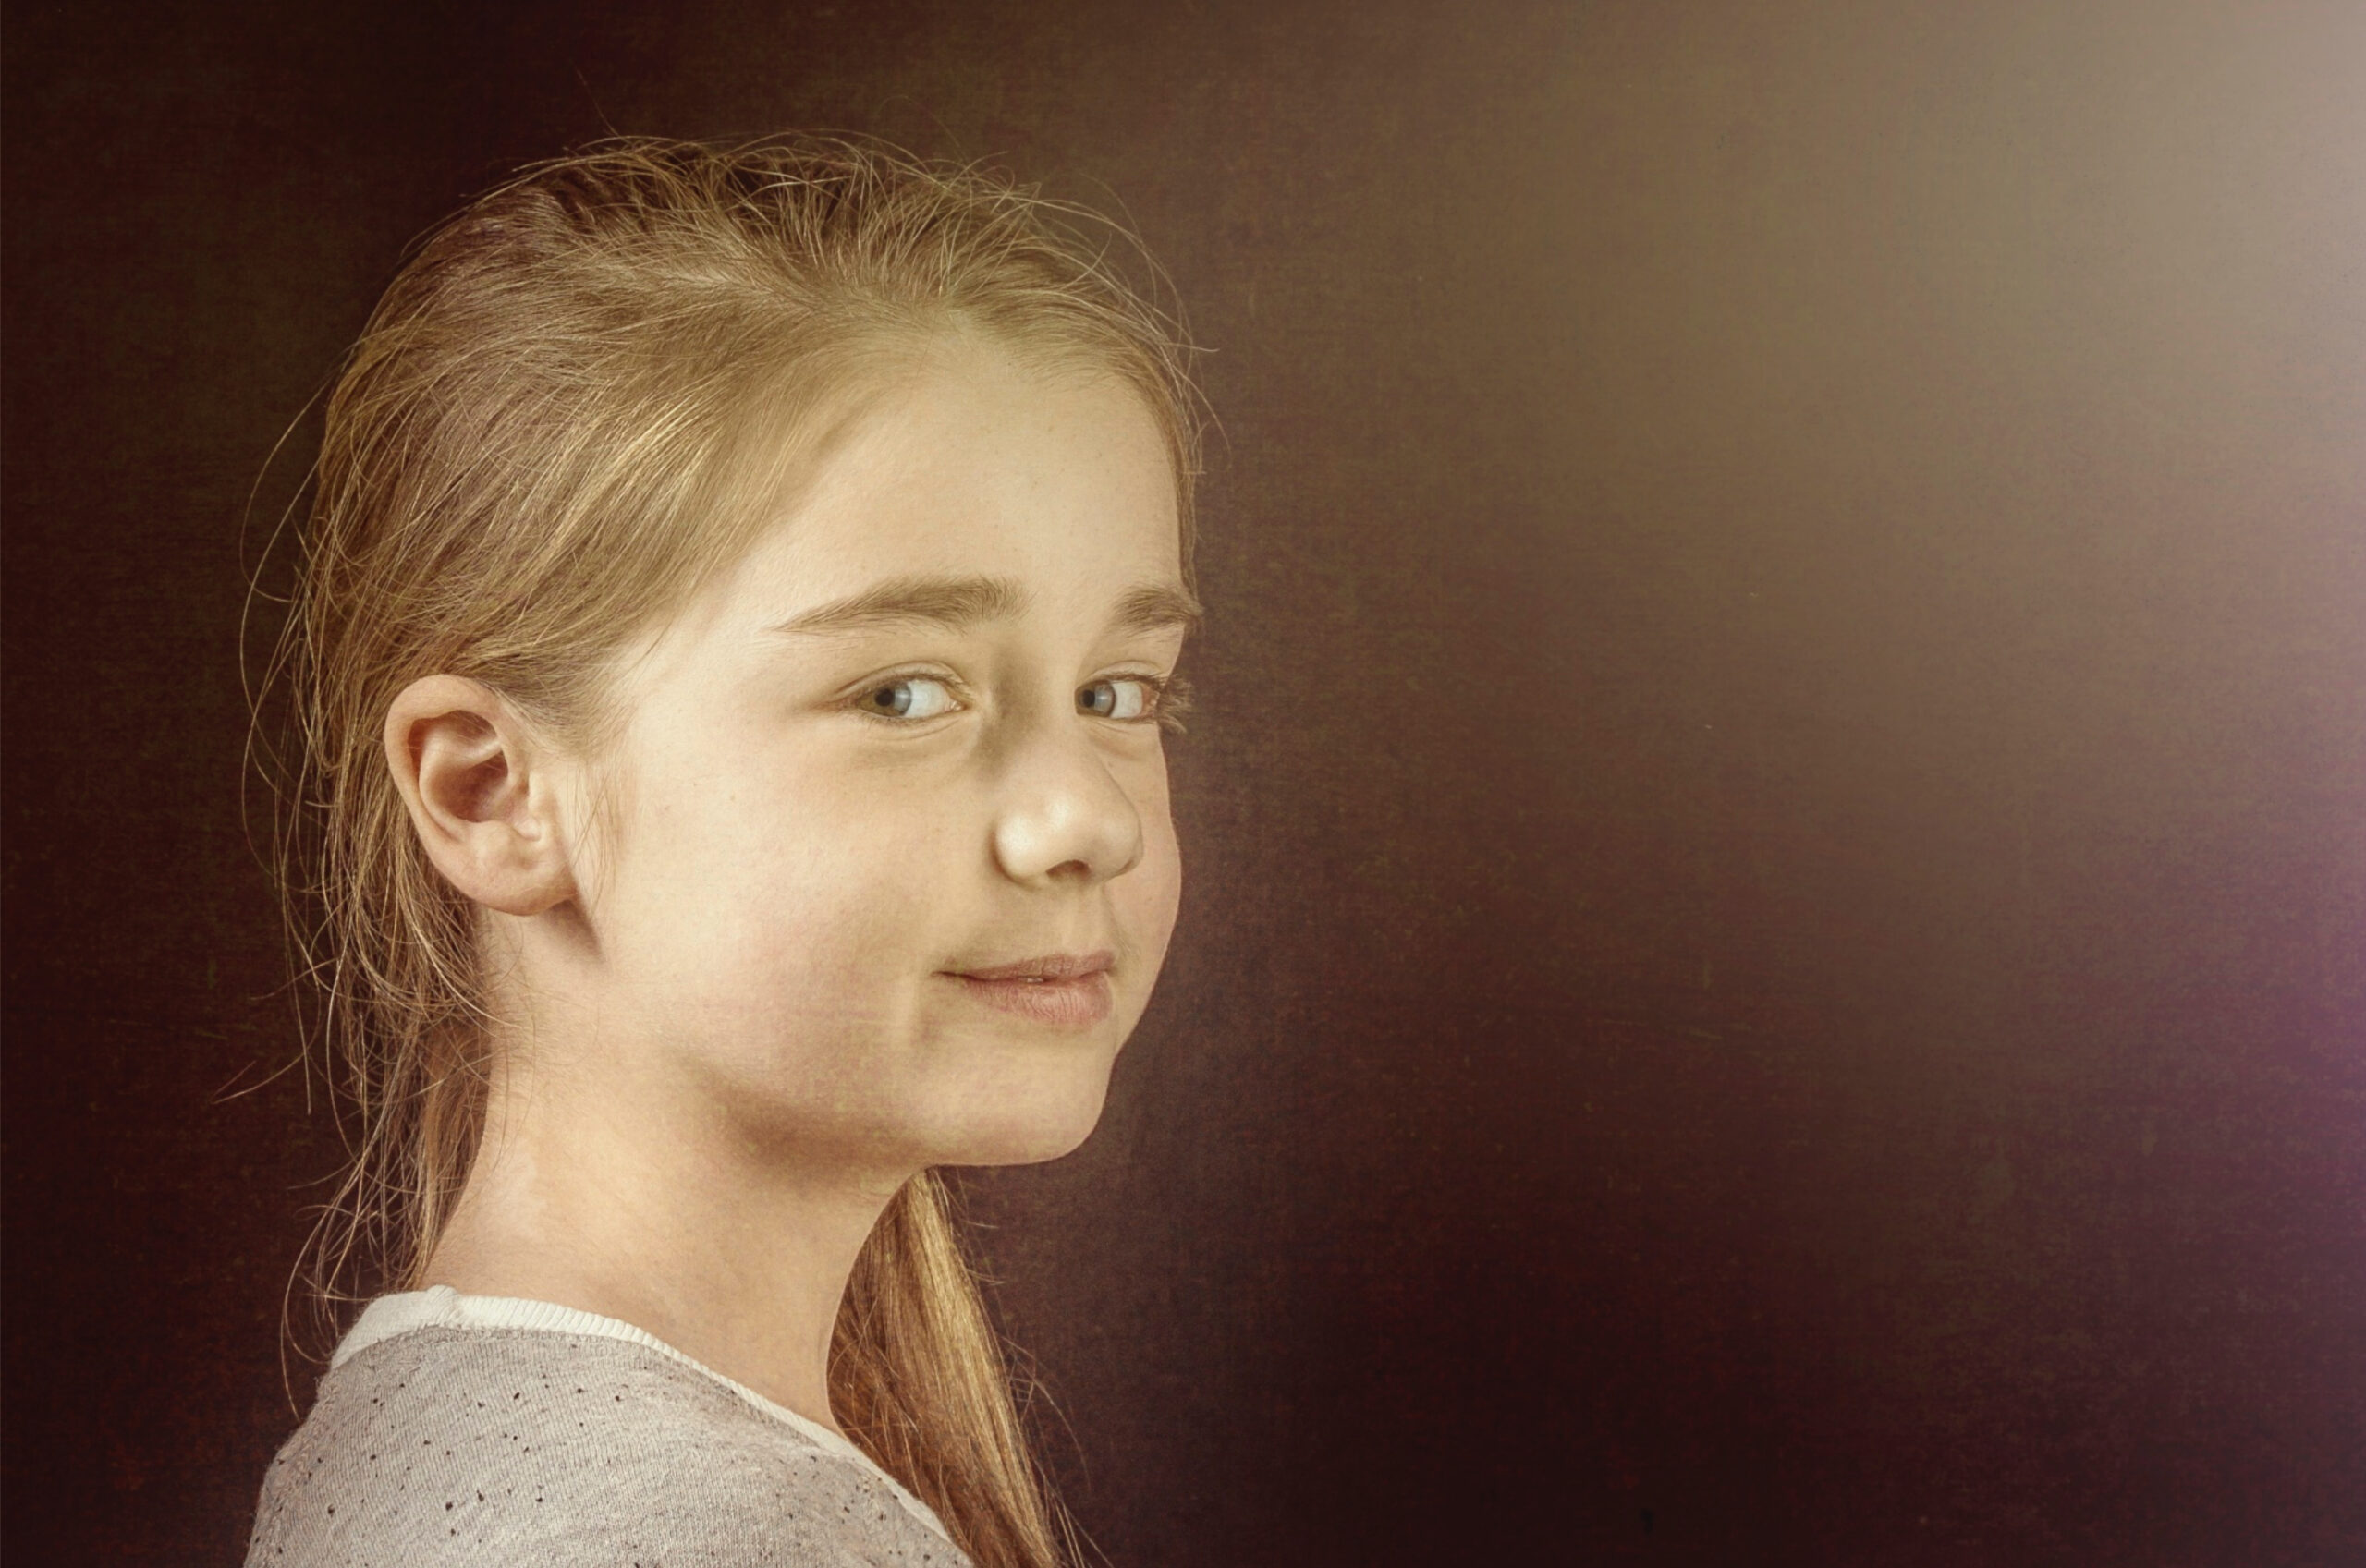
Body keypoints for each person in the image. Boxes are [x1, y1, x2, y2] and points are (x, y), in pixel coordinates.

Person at [244, 136, 1204, 1568]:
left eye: (1117, 693)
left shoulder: (422, 1430)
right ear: (495, 792)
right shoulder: (679, 1532)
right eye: (904, 694)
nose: (1092, 818)